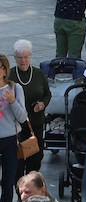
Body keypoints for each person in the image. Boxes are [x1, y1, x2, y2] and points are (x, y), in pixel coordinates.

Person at [10, 39, 51, 176]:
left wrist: (43, 104)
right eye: (20, 57)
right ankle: (20, 191)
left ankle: (31, 188)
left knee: (36, 159)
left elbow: (47, 94)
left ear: (30, 56)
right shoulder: (10, 75)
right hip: (17, 128)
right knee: (18, 162)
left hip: (36, 125)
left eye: (26, 57)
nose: (23, 60)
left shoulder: (38, 74)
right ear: (15, 58)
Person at [0, 54, 27, 202]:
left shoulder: (15, 88)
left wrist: (12, 101)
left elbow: (23, 117)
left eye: (1, 67)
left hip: (10, 141)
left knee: (8, 181)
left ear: (5, 70)